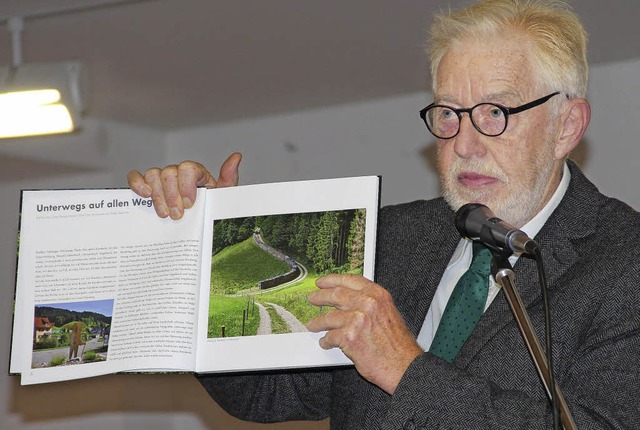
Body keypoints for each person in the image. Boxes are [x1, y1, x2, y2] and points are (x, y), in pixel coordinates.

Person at [128, 0, 640, 428]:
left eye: (494, 113)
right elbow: (269, 393)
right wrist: (198, 246)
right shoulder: (386, 237)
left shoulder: (625, 262)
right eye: (447, 114)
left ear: (567, 126)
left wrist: (405, 368)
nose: (464, 144)